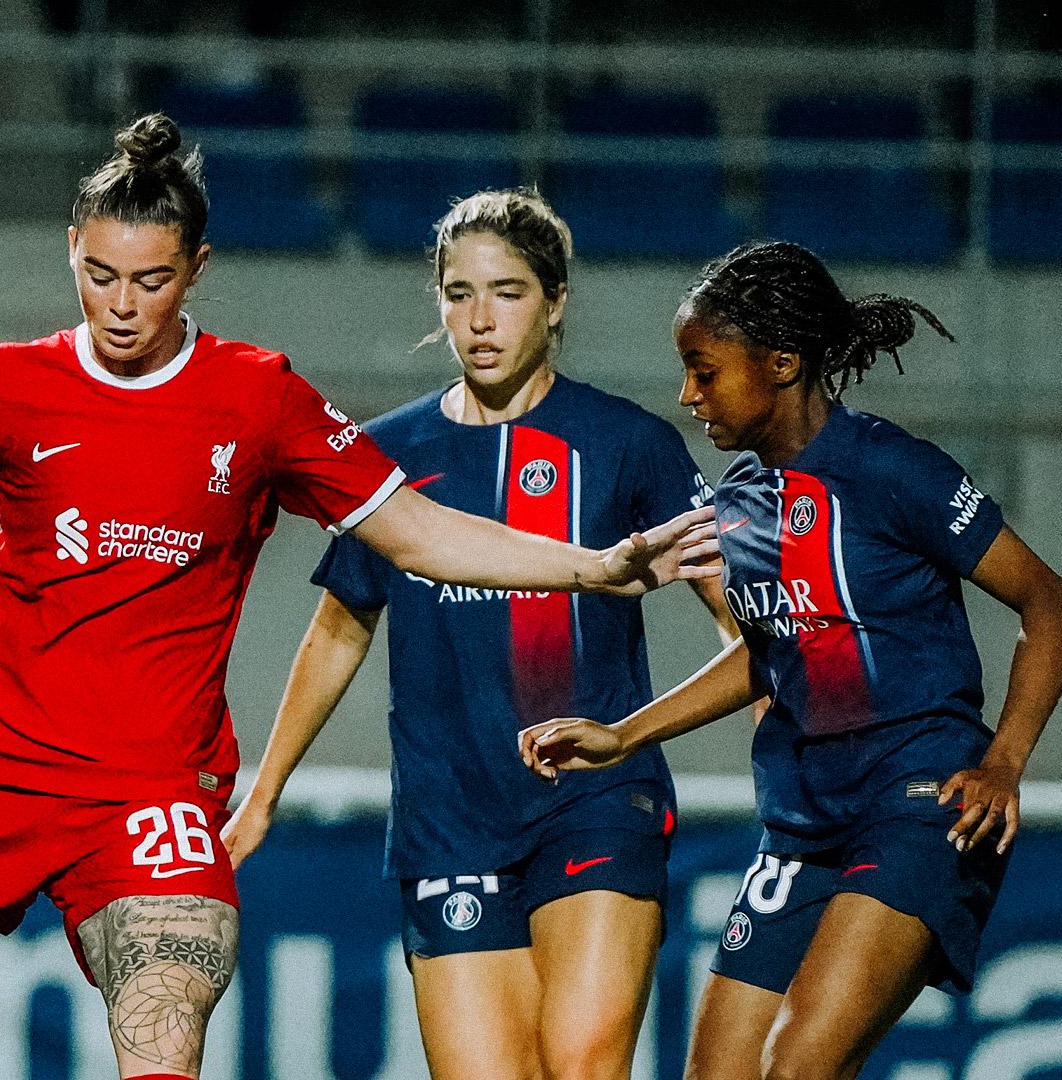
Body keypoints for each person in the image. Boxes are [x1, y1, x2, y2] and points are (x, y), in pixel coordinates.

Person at [0, 115, 720, 1080]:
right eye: (99, 276)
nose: (122, 306)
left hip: (149, 792)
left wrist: (599, 565)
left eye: (150, 280)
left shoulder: (260, 397)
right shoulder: (13, 384)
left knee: (166, 1013)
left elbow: (419, 530)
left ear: (196, 269)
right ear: (74, 256)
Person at [521, 240, 1062, 1080]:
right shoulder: (738, 504)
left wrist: (1005, 759)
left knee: (796, 1065)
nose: (687, 395)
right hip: (800, 825)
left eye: (704, 371)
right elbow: (770, 654)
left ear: (781, 363)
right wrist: (624, 736)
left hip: (918, 803)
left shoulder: (893, 469)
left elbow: (1054, 607)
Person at [220, 189, 739, 1080]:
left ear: (556, 300)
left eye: (506, 291)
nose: (480, 319)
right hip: (447, 820)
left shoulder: (629, 445)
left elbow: (748, 626)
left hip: (595, 800)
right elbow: (339, 630)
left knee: (580, 1067)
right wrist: (263, 794)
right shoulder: (386, 458)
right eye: (459, 294)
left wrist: (754, 726)